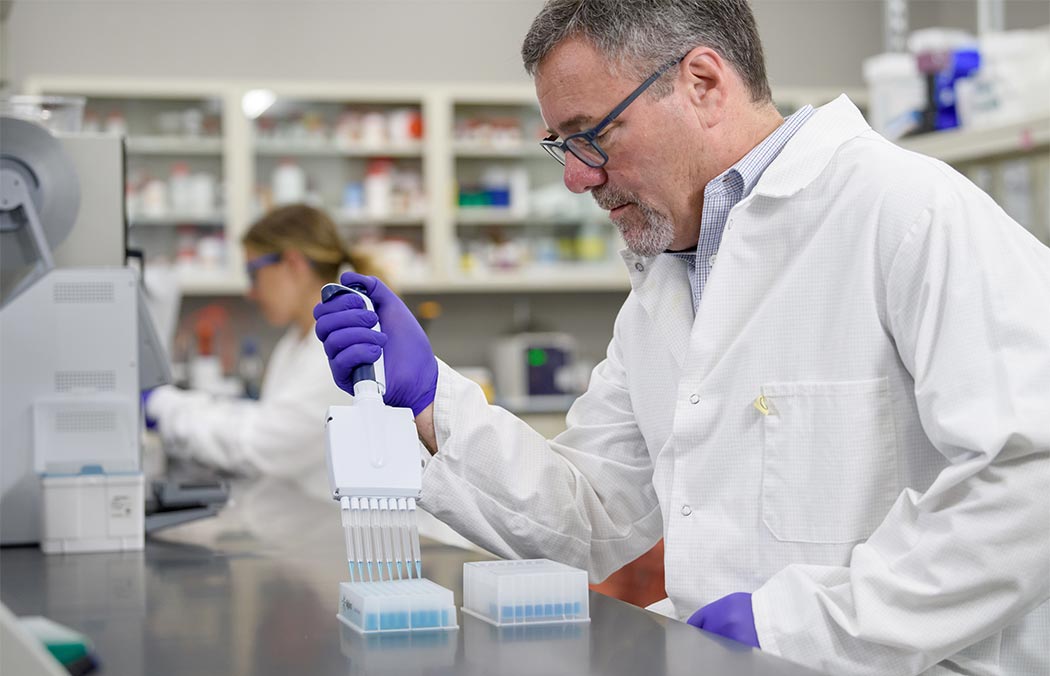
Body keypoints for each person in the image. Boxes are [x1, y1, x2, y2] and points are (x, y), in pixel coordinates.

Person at [313, 2, 1050, 674]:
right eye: (561, 146)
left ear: (701, 82)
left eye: (591, 136)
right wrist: (433, 403)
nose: (576, 178)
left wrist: (801, 625)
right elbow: (589, 515)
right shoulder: (666, 286)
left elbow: (1031, 478)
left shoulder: (909, 213)